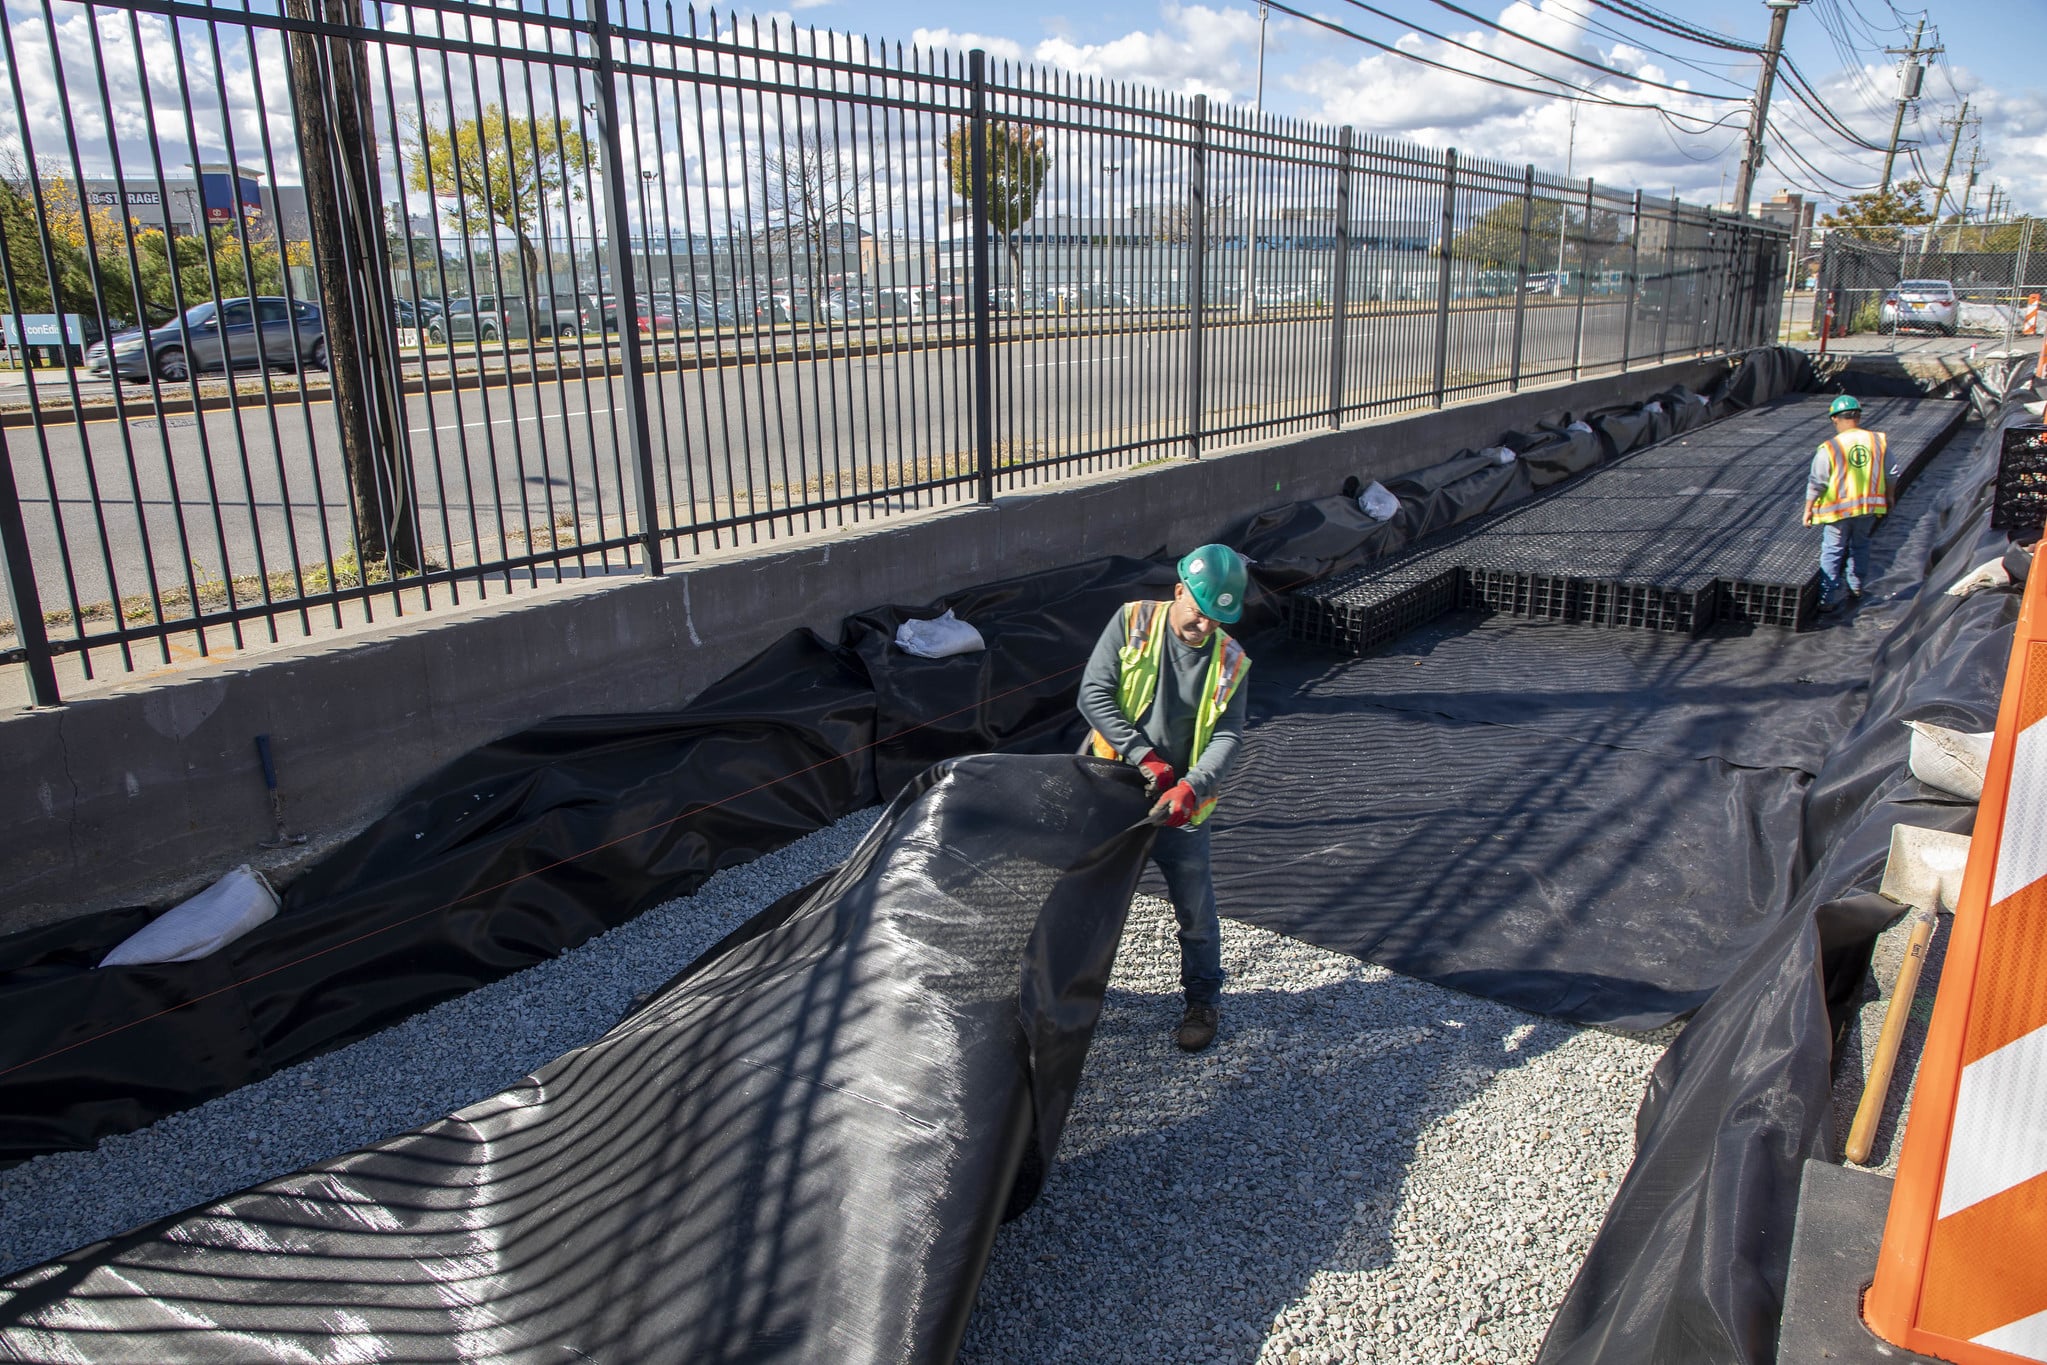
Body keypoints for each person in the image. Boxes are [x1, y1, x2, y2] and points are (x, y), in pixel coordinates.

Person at [1078, 544, 1252, 1053]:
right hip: (1112, 787)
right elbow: (1093, 693)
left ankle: (1202, 1001)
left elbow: (1229, 736)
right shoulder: (1131, 621)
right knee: (1087, 900)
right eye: (1196, 614)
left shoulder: (1232, 661)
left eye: (1214, 622)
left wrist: (1191, 786)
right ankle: (1070, 997)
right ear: (1178, 592)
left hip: (1182, 807)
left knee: (1196, 912)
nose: (1202, 628)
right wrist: (1145, 757)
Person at [1803, 394, 1891, 612]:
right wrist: (1890, 496)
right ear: (1858, 417)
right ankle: (1857, 586)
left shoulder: (1831, 447)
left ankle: (1827, 598)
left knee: (1833, 551)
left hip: (1838, 512)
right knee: (1860, 545)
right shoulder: (1877, 441)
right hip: (1868, 509)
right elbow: (1892, 473)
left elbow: (1817, 482)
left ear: (1835, 419)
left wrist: (1808, 510)